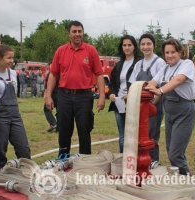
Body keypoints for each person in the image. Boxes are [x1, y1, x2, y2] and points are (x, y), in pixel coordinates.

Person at [45, 20, 105, 155]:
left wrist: (101, 96)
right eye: (74, 31)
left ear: (83, 33)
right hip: (64, 96)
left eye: (80, 31)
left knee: (84, 129)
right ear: (69, 34)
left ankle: (85, 160)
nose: (77, 34)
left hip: (84, 96)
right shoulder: (61, 51)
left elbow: (99, 74)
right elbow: (53, 75)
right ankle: (63, 159)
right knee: (64, 130)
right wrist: (48, 95)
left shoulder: (91, 50)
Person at [145, 38, 195, 175]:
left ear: (180, 52)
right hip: (170, 113)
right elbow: (152, 82)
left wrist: (160, 90)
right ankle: (180, 179)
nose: (169, 55)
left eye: (173, 52)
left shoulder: (187, 64)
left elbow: (178, 80)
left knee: (175, 153)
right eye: (167, 52)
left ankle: (187, 180)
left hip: (184, 111)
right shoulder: (165, 68)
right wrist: (138, 90)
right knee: (170, 150)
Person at [0, 44, 31, 169]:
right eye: (8, 58)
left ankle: (27, 173)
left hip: (15, 114)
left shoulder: (13, 73)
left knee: (23, 147)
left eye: (12, 58)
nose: (11, 61)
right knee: (0, 149)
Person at [129, 33, 166, 162]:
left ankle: (153, 162)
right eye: (143, 44)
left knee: (152, 136)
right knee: (138, 135)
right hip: (138, 107)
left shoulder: (160, 62)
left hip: (154, 105)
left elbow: (161, 87)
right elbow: (133, 84)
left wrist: (152, 105)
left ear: (154, 46)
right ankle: (140, 161)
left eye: (149, 44)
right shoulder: (138, 64)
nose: (146, 47)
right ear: (139, 46)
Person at [108, 35, 141, 153]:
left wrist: (132, 94)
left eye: (129, 45)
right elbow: (112, 83)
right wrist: (111, 94)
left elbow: (142, 82)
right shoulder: (119, 64)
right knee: (122, 135)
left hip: (134, 102)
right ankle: (123, 160)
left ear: (134, 47)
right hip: (119, 103)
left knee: (134, 134)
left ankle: (135, 160)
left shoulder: (140, 63)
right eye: (124, 45)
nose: (127, 48)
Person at [43, 63, 58, 132]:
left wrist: (46, 95)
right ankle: (58, 127)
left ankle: (53, 123)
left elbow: (47, 85)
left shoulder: (51, 74)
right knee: (59, 112)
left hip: (53, 95)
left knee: (46, 109)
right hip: (62, 95)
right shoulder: (61, 72)